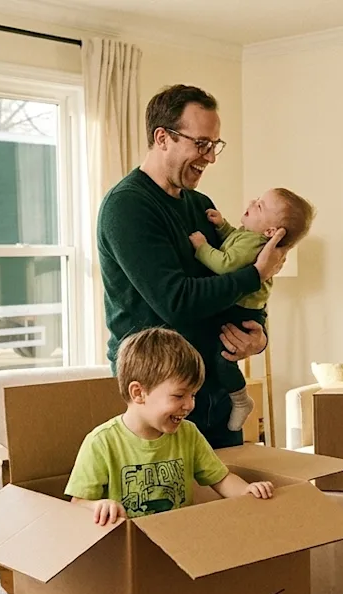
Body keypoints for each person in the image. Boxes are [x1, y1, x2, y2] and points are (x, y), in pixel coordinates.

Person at [96, 84, 289, 449]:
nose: (210, 157)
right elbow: (177, 300)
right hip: (159, 393)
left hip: (214, 385)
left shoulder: (201, 205)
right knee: (175, 504)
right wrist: (257, 273)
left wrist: (257, 336)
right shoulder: (128, 208)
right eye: (200, 143)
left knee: (229, 499)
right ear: (162, 137)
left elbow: (235, 287)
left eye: (214, 145)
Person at [65, 327, 276, 525]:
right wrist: (98, 506)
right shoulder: (101, 442)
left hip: (179, 539)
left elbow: (221, 479)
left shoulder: (188, 433)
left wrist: (247, 490)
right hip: (127, 547)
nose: (190, 405)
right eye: (178, 396)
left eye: (193, 395)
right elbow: (77, 504)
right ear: (138, 393)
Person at [189, 188, 316, 431]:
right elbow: (233, 243)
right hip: (239, 308)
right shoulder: (249, 238)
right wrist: (222, 226)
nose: (251, 202)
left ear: (270, 232)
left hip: (242, 312)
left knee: (224, 359)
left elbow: (225, 263)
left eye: (259, 206)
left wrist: (202, 247)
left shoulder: (254, 244)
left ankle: (240, 400)